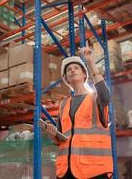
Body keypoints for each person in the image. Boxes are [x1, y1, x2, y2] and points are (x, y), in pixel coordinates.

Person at [47, 47, 113, 179]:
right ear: (66, 78)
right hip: (67, 170)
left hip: (94, 170)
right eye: (69, 69)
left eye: (76, 68)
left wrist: (90, 62)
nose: (72, 70)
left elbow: (106, 96)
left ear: (84, 75)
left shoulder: (96, 98)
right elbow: (61, 139)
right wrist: (52, 133)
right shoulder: (63, 104)